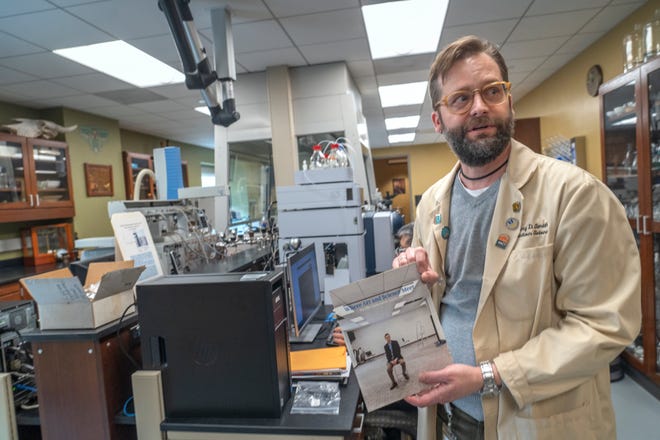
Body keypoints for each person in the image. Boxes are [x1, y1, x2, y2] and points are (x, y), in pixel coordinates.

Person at [393, 35, 641, 440]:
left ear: (510, 100)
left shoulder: (574, 195)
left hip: (535, 422)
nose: (479, 107)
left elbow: (606, 324)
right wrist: (411, 285)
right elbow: (445, 305)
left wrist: (489, 376)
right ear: (438, 121)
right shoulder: (432, 202)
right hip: (450, 418)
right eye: (460, 99)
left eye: (492, 91)